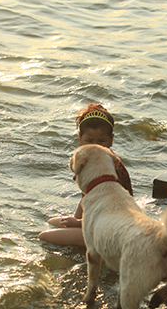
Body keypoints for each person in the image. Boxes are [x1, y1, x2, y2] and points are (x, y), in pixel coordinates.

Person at [39, 104, 133, 246]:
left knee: (44, 236)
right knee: (52, 222)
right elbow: (87, 197)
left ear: (111, 139)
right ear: (80, 138)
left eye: (102, 141)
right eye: (89, 141)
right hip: (97, 222)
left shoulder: (112, 168)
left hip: (112, 231)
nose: (95, 146)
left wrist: (78, 223)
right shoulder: (89, 161)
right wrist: (75, 221)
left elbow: (110, 214)